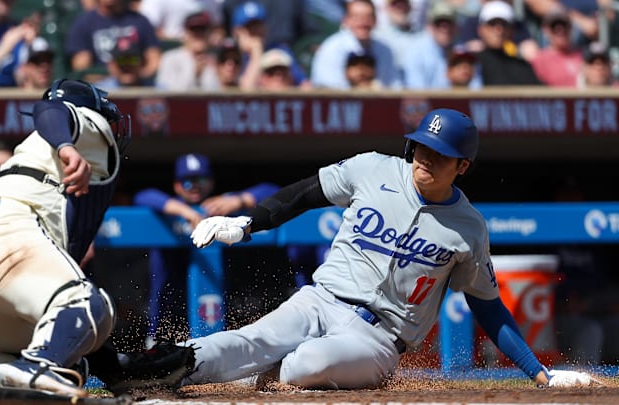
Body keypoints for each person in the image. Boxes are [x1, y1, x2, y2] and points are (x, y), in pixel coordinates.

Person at [157, 108, 599, 390]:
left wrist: (538, 374)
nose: (425, 157)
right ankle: (152, 367)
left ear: (463, 166)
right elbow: (307, 193)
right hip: (320, 299)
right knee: (244, 340)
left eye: (439, 154)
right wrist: (248, 223)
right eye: (422, 146)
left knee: (305, 364)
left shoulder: (468, 227)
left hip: (378, 339)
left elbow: (487, 306)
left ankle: (255, 371)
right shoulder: (373, 168)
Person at [0, 78, 194, 401]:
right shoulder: (83, 126)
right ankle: (36, 368)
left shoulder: (28, 157)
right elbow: (50, 108)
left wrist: (119, 368)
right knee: (90, 306)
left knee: (62, 345)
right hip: (8, 236)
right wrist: (66, 145)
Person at [133, 153, 279, 343]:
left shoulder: (221, 205)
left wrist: (239, 200)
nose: (195, 186)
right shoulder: (169, 208)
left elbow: (273, 191)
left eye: (201, 180)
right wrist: (186, 212)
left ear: (211, 182)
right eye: (187, 182)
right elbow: (143, 196)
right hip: (167, 321)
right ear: (177, 185)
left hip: (218, 310)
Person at [64, 0, 161, 85]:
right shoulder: (84, 24)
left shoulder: (140, 21)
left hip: (139, 85)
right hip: (102, 88)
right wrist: (116, 74)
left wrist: (132, 77)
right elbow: (82, 69)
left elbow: (154, 60)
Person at [310, 0, 399, 89]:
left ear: (375, 20)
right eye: (356, 17)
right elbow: (333, 92)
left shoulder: (384, 50)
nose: (363, 22)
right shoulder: (332, 49)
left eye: (368, 17)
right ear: (346, 20)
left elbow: (392, 87)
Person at [473, 1, 543, 86]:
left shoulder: (523, 68)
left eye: (504, 24)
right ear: (481, 29)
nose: (498, 30)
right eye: (492, 24)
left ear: (512, 30)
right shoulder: (471, 64)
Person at [155, 10, 223, 91]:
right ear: (185, 32)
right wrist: (195, 74)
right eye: (194, 29)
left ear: (209, 33)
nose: (199, 34)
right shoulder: (170, 58)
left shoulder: (217, 59)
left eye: (203, 29)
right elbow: (165, 93)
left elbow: (221, 94)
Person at [529, 9, 584, 87]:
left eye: (564, 25)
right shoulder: (539, 60)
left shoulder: (583, 55)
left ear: (570, 28)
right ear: (546, 31)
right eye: (554, 26)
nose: (560, 30)